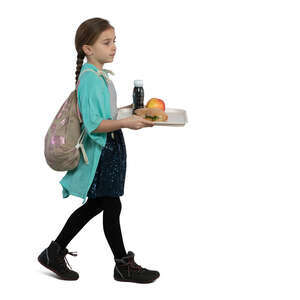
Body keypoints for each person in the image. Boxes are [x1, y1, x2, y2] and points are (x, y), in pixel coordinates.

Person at [37, 17, 160, 284]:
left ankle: (55, 252)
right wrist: (127, 122)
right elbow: (95, 125)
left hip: (109, 148)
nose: (113, 47)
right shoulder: (92, 79)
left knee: (102, 205)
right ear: (87, 49)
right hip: (103, 151)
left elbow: (106, 114)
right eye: (106, 42)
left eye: (114, 41)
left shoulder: (98, 76)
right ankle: (121, 265)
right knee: (109, 204)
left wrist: (132, 112)